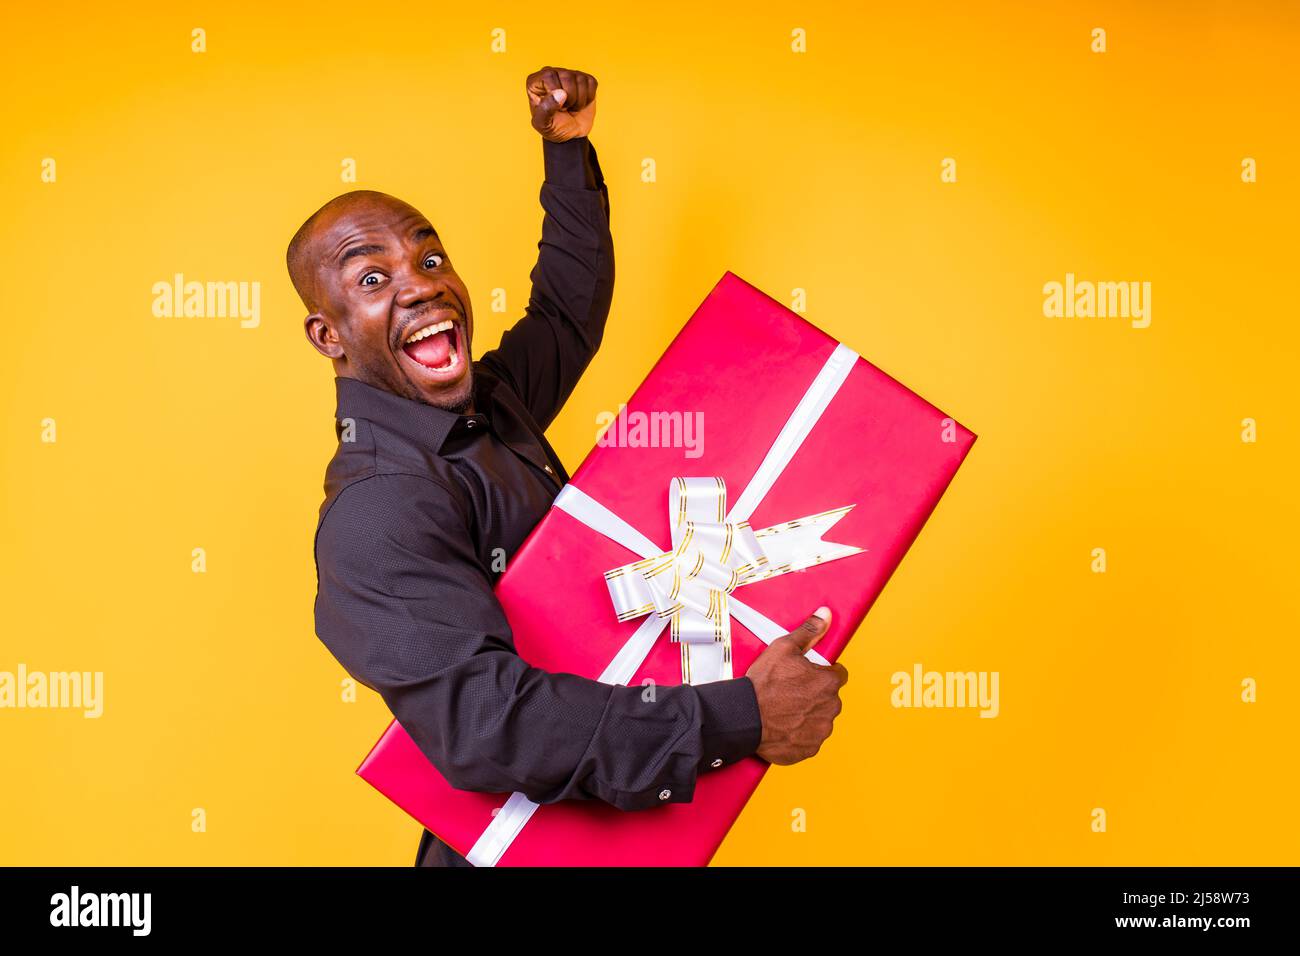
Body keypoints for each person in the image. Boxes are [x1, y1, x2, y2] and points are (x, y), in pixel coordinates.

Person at [286, 66, 849, 866]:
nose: (421, 287)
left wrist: (566, 151)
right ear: (328, 335)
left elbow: (565, 310)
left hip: (619, 823)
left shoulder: (489, 403)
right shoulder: (378, 511)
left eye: (430, 259)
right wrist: (741, 718)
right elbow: (490, 727)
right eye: (372, 279)